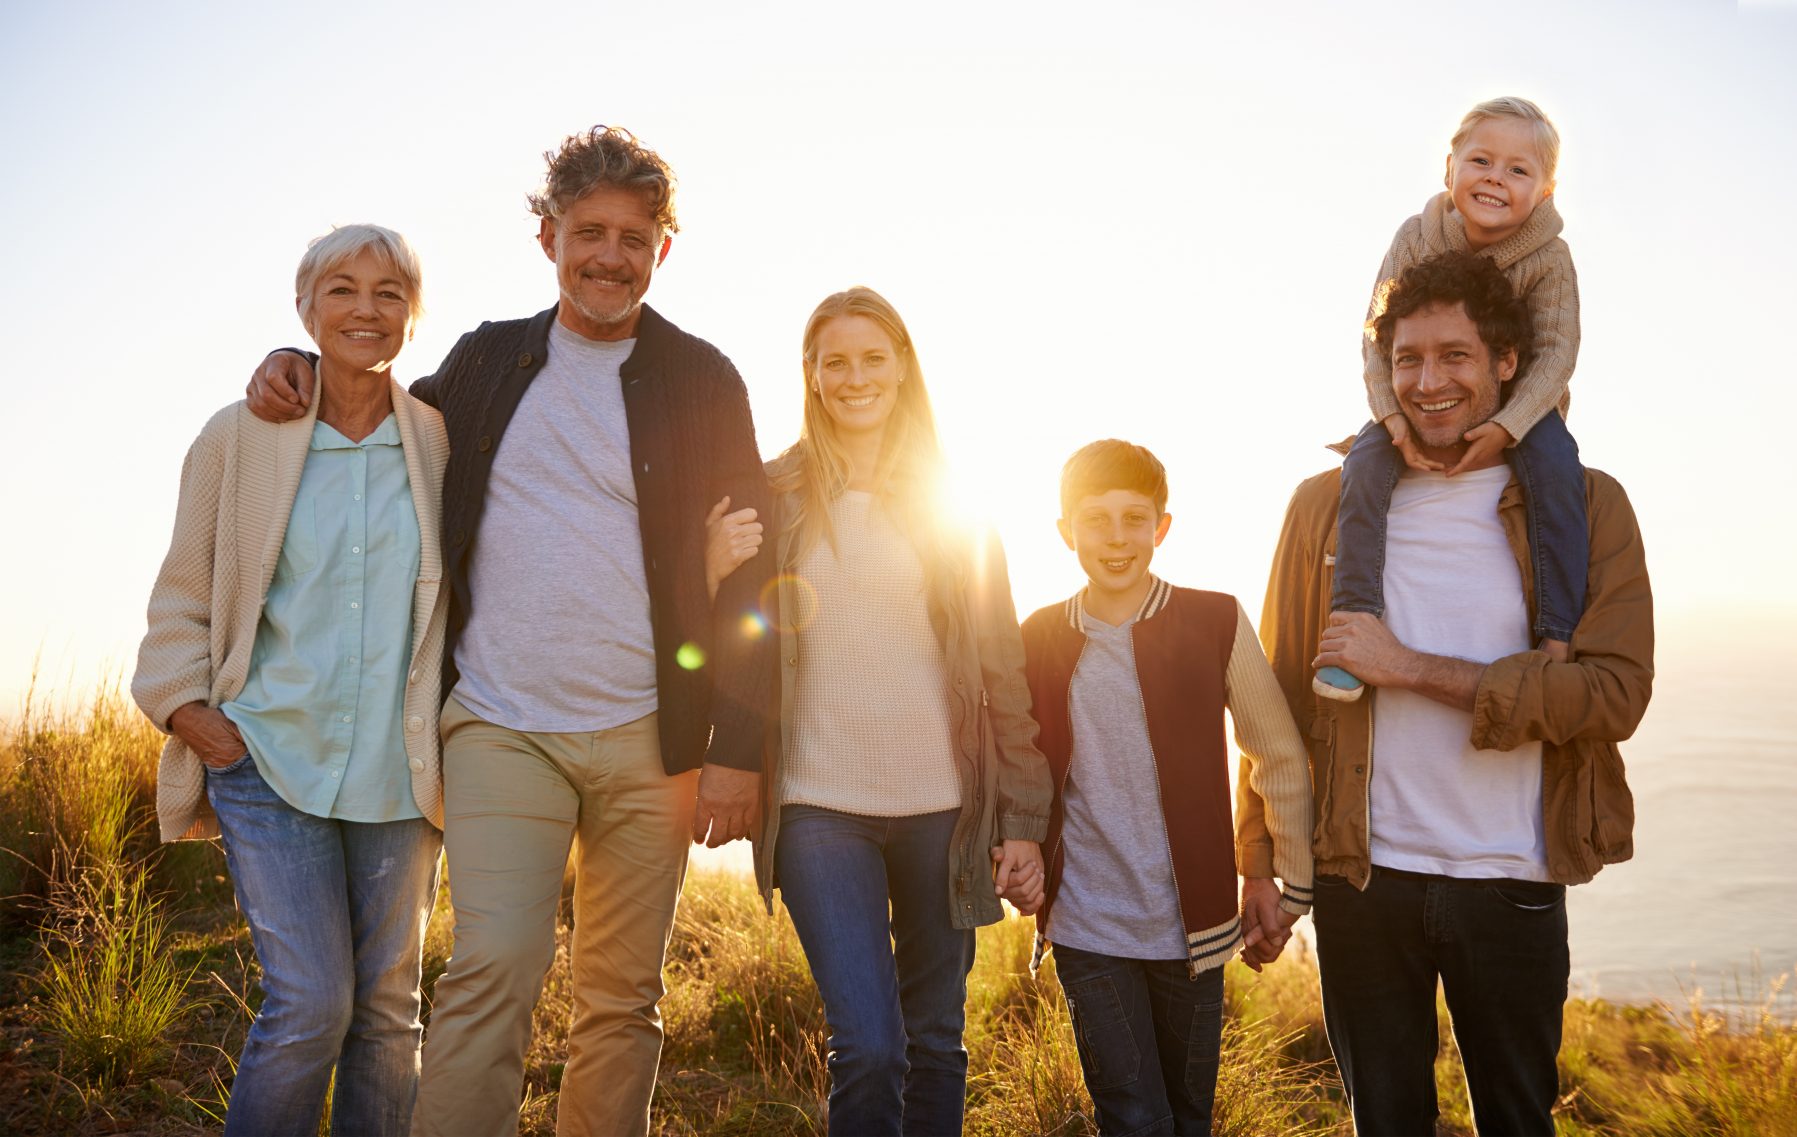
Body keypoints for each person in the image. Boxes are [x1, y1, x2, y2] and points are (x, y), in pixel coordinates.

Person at [243, 127, 776, 1137]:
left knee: (623, 994)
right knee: (492, 969)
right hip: (499, 726)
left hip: (653, 737)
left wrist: (738, 750)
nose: (609, 256)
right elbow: (378, 423)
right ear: (548, 238)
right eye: (589, 233)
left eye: (633, 237)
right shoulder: (486, 359)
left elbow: (757, 580)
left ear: (663, 248)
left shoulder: (705, 380)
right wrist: (297, 362)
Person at [1255, 250, 1652, 1135]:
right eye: (1407, 359)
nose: (1427, 382)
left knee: (1517, 1118)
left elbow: (1612, 696)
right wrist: (1258, 859)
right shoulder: (1325, 504)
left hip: (1510, 878)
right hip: (1361, 879)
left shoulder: (1585, 507)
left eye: (1454, 356)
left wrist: (1406, 666)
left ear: (1507, 361)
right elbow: (1274, 703)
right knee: (1383, 1120)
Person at [705, 286, 1052, 1137]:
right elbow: (730, 638)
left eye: (872, 358)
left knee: (934, 1039)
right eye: (836, 362)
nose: (854, 377)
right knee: (867, 1043)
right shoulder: (771, 493)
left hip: (943, 812)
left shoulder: (953, 504)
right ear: (811, 375)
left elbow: (1002, 671)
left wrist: (1021, 820)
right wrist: (708, 573)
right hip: (817, 806)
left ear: (901, 369)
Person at [133, 224, 449, 1136]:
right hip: (266, 757)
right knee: (311, 1003)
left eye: (389, 292)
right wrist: (190, 712)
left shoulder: (439, 441)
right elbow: (183, 590)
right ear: (304, 309)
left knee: (388, 1011)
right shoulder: (237, 436)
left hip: (399, 773)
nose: (365, 308)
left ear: (413, 315)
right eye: (341, 288)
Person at [1006, 439, 1315, 1136]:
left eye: (1134, 519)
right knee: (1132, 1117)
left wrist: (1287, 886)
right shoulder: (1037, 634)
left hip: (1194, 927)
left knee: (1188, 1116)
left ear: (1162, 527)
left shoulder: (1215, 620)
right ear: (1065, 532)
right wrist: (1012, 844)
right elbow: (1013, 757)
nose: (1116, 538)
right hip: (1086, 922)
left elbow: (1276, 753)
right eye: (1096, 520)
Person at [1319, 96, 1585, 701]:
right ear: (1450, 169)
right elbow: (1378, 335)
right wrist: (1390, 415)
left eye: (1518, 170)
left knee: (1558, 471)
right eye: (1481, 161)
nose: (1495, 178)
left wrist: (1510, 425)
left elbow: (1557, 352)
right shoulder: (1417, 235)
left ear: (1545, 191)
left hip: (1525, 404)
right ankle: (1353, 618)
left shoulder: (1550, 255)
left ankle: (1556, 634)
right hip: (1417, 403)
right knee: (1364, 463)